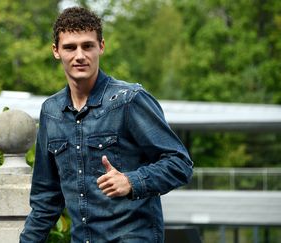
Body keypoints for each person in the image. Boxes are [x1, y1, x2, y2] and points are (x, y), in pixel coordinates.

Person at [20, 6, 193, 243]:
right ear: (56, 51)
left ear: (101, 46)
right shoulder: (51, 112)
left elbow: (180, 163)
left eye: (87, 46)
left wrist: (132, 181)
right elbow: (46, 198)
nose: (79, 55)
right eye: (70, 47)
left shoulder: (129, 100)